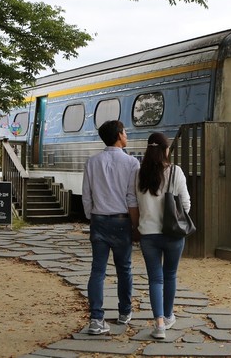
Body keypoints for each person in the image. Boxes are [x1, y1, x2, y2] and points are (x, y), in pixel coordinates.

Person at [82, 120, 140, 335]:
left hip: (98, 219)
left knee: (98, 270)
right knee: (124, 269)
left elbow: (86, 195)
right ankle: (125, 312)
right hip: (121, 220)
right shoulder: (132, 163)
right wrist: (135, 224)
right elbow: (131, 198)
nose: (127, 135)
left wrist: (92, 216)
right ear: (118, 135)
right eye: (125, 132)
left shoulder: (92, 162)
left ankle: (96, 319)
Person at [132, 132, 191, 340]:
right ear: (166, 150)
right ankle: (168, 316)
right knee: (170, 275)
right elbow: (186, 205)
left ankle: (159, 325)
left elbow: (135, 203)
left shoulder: (140, 174)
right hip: (173, 233)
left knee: (155, 279)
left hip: (148, 234)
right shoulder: (176, 172)